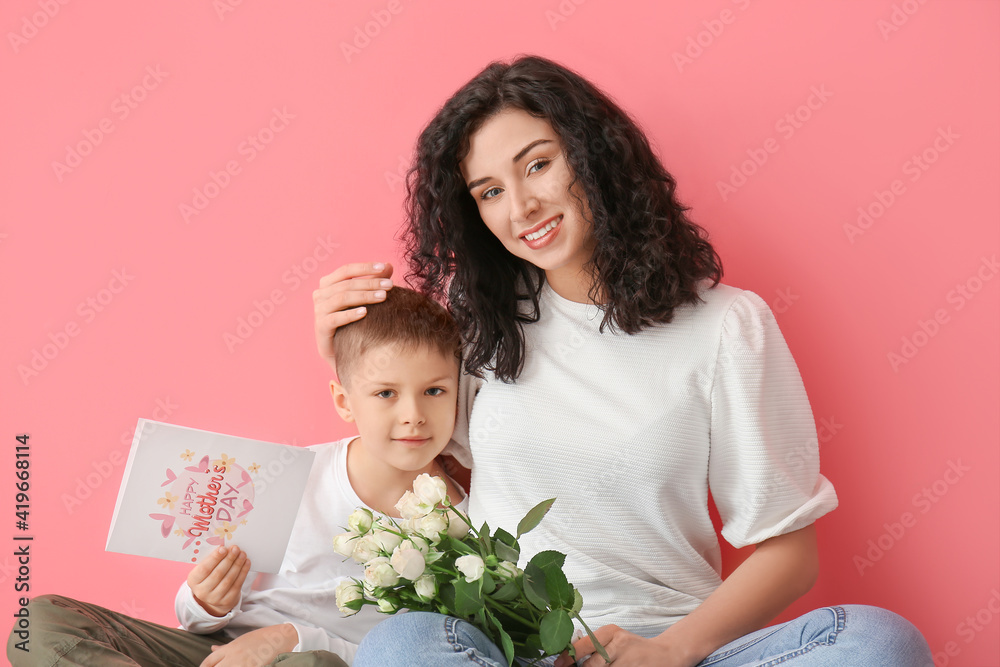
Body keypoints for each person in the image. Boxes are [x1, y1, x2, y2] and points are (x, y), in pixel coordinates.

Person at [311, 55, 934, 666]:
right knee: (401, 645)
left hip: (676, 649)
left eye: (539, 165)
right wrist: (341, 347)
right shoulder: (479, 328)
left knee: (879, 642)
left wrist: (670, 650)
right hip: (515, 652)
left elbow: (790, 553)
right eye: (491, 191)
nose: (521, 206)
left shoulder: (726, 326)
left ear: (593, 156)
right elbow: (399, 445)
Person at [8, 286, 468, 667]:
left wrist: (293, 639)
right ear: (344, 401)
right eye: (385, 393)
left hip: (319, 660)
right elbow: (196, 621)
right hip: (215, 655)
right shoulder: (283, 477)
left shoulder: (469, 524)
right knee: (41, 625)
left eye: (434, 391)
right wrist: (205, 600)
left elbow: (411, 655)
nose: (414, 416)